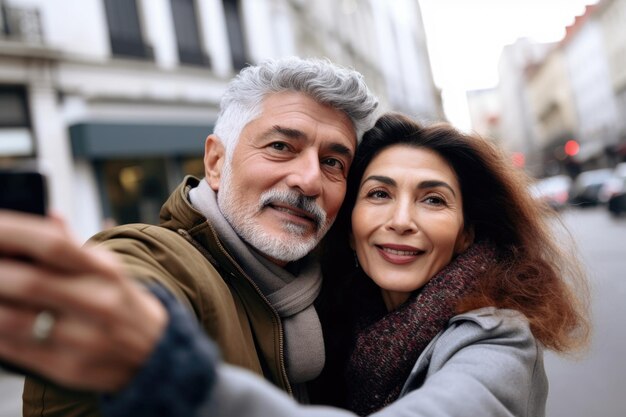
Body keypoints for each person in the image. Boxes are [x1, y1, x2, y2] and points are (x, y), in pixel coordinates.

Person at [0, 112, 590, 417]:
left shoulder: (498, 344)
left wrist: (175, 375)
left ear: (466, 234)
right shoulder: (325, 310)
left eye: (433, 199)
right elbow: (148, 266)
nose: (401, 219)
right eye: (378, 193)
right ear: (349, 218)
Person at [0, 56, 378, 416]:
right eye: (280, 147)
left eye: (332, 162)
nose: (309, 179)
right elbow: (137, 279)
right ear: (215, 163)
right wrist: (127, 327)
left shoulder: (348, 284)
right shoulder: (157, 257)